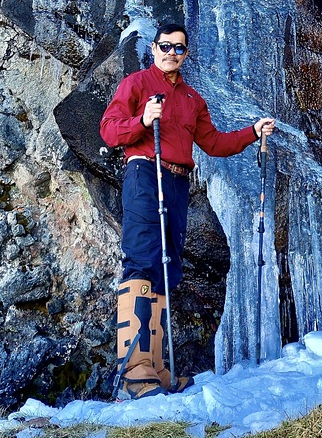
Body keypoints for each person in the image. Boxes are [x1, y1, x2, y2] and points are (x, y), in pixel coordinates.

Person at [100, 20, 275, 401]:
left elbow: (213, 143)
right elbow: (110, 132)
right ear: (154, 48)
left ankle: (158, 369)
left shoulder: (194, 99)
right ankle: (134, 369)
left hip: (178, 181)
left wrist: (252, 132)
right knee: (143, 259)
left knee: (168, 265)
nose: (171, 54)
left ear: (186, 53)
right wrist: (143, 120)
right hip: (146, 173)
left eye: (179, 48)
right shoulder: (136, 85)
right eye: (165, 47)